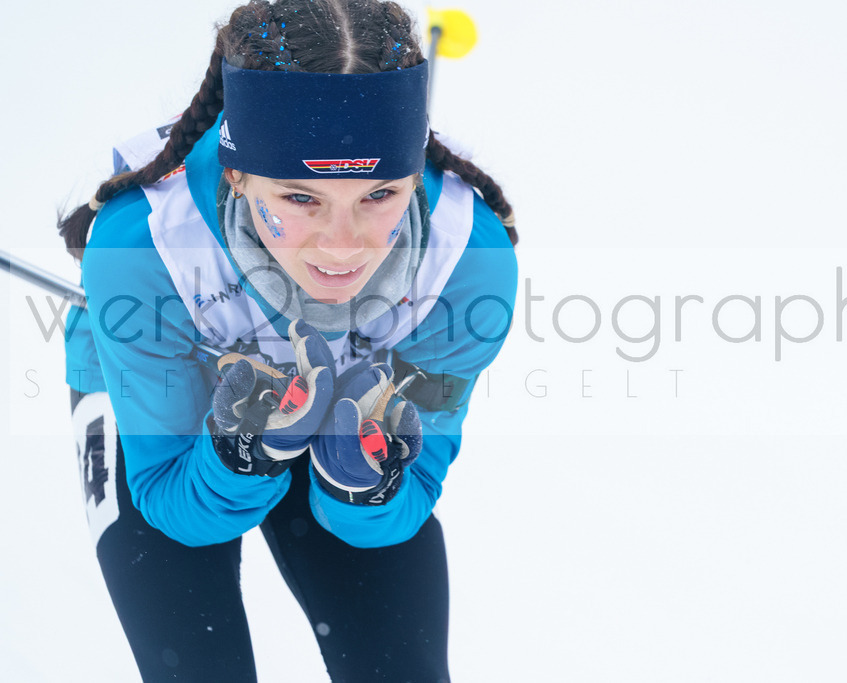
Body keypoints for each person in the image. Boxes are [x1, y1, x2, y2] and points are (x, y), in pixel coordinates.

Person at [57, 0, 517, 680]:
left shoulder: (465, 263)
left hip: (344, 405)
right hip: (179, 421)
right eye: (301, 199)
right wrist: (242, 455)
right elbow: (170, 504)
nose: (341, 246)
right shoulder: (143, 245)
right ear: (238, 174)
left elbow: (406, 503)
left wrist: (360, 483)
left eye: (379, 195)